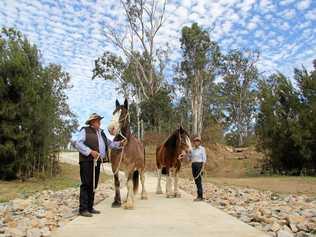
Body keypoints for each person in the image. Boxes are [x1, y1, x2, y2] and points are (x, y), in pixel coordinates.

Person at [73, 113, 125, 217]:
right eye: (98, 120)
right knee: (86, 184)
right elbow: (78, 143)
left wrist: (120, 143)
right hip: (87, 161)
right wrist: (90, 151)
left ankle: (90, 207)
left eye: (99, 120)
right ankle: (83, 209)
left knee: (93, 185)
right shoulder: (85, 130)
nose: (100, 122)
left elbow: (110, 144)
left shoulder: (101, 133)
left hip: (97, 162)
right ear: (92, 122)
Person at [187, 136, 207, 201]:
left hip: (199, 165)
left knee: (198, 181)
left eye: (198, 141)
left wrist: (203, 168)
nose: (196, 142)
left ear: (200, 142)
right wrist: (188, 154)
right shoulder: (192, 149)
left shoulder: (202, 149)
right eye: (195, 141)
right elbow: (189, 159)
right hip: (193, 165)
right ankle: (199, 195)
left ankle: (200, 196)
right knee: (196, 181)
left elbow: (204, 159)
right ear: (194, 142)